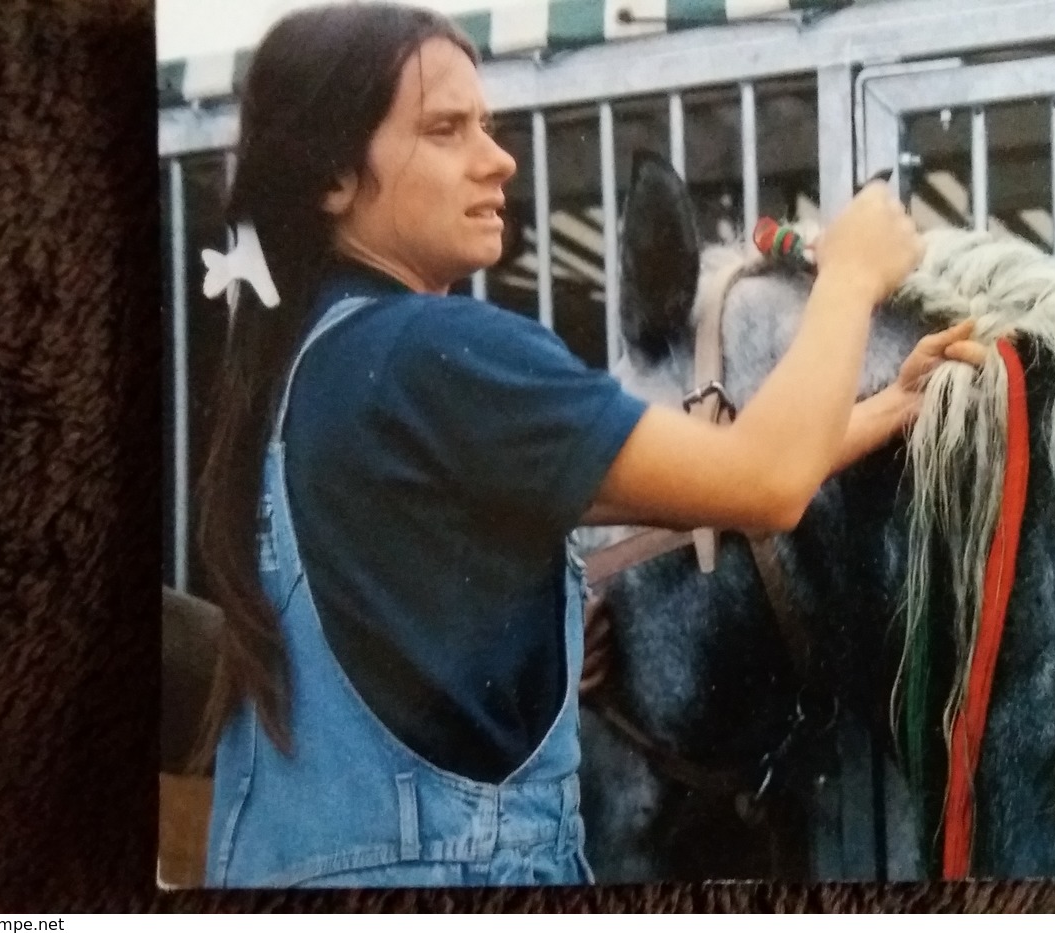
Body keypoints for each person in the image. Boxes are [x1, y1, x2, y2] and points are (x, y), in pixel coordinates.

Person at [187, 2, 989, 888]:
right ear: (334, 177)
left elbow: (698, 485)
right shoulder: (438, 356)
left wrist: (883, 408)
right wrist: (849, 274)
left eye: (487, 125)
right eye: (445, 130)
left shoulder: (312, 366)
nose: (498, 160)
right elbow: (765, 482)